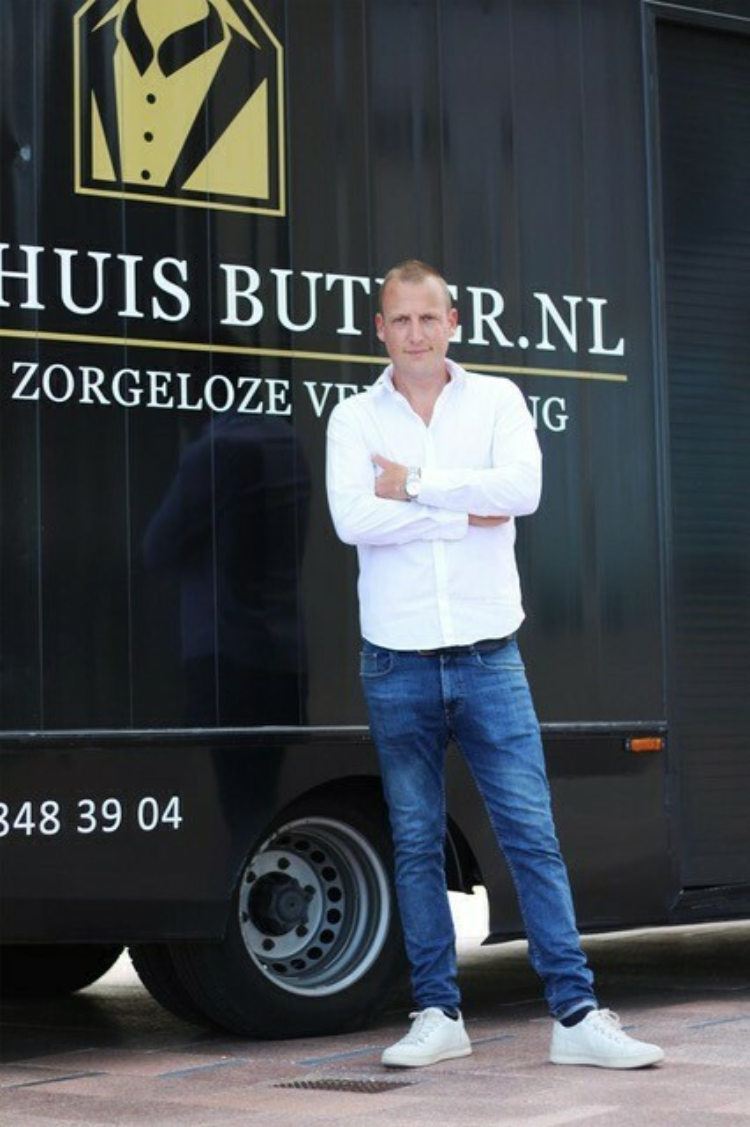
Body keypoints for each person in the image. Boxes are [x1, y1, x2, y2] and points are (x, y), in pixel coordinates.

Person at [325, 259, 665, 1071]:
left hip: (489, 657)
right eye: (401, 319)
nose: (415, 333)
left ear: (453, 322)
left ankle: (576, 1016)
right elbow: (351, 519)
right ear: (379, 329)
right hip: (397, 661)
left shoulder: (499, 401)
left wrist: (415, 486)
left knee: (531, 836)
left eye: (429, 317)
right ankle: (437, 1013)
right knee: (414, 842)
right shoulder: (353, 417)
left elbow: (523, 491)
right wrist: (459, 510)